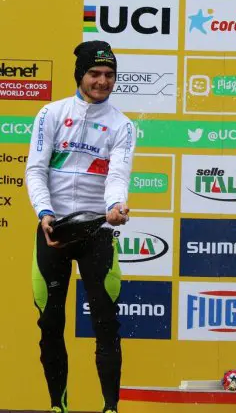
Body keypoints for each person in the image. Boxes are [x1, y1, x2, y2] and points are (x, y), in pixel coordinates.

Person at [25, 40, 135, 413]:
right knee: (50, 323)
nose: (102, 81)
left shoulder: (122, 125)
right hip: (52, 229)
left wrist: (114, 207)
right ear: (81, 75)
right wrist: (44, 212)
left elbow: (118, 175)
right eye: (95, 73)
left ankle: (110, 408)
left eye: (109, 75)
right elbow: (35, 169)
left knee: (107, 325)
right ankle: (58, 405)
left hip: (97, 230)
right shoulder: (51, 114)